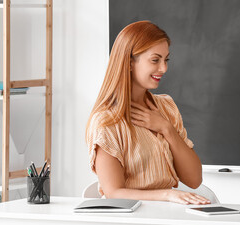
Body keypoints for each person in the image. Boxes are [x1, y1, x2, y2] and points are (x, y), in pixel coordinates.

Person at [85, 21, 210, 205]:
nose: (164, 68)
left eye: (166, 60)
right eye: (155, 60)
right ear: (129, 62)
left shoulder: (166, 107)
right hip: (131, 222)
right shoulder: (107, 121)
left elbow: (194, 180)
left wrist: (166, 128)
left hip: (169, 216)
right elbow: (113, 193)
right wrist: (167, 195)